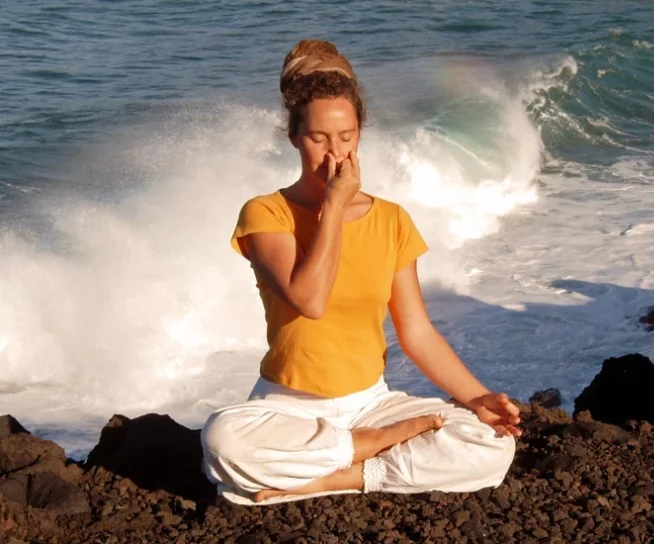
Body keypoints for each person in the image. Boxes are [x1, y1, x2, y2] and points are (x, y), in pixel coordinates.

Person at [201, 39, 522, 506]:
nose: (335, 154)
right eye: (318, 139)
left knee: (491, 443)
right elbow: (309, 300)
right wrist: (333, 206)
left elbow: (417, 331)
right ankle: (364, 450)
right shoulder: (267, 214)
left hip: (372, 404)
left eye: (347, 137)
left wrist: (478, 399)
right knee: (224, 441)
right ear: (293, 136)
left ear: (360, 134)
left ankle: (338, 477)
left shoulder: (391, 219)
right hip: (287, 405)